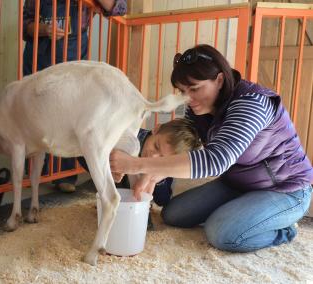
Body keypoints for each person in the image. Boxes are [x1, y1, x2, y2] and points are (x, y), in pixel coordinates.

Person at [110, 44, 313, 252]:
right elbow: (185, 148)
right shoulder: (197, 109)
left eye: (195, 88)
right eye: (182, 91)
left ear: (219, 80)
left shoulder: (252, 103)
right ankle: (243, 211)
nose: (188, 98)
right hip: (236, 184)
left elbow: (215, 160)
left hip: (285, 189)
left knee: (222, 233)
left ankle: (284, 230)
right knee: (173, 215)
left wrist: (137, 165)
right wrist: (151, 173)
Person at [22, 0, 127, 193]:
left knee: (69, 117)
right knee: (36, 116)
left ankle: (64, 174)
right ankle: (36, 170)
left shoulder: (85, 3)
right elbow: (25, 26)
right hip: (39, 61)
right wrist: (43, 29)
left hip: (72, 65)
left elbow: (119, 8)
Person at [78, 118, 202, 229]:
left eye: (162, 158)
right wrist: (107, 164)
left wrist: (156, 175)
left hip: (152, 184)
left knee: (162, 198)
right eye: (156, 146)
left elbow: (162, 200)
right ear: (156, 129)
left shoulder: (167, 165)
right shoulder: (129, 137)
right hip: (116, 175)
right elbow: (86, 153)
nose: (153, 157)